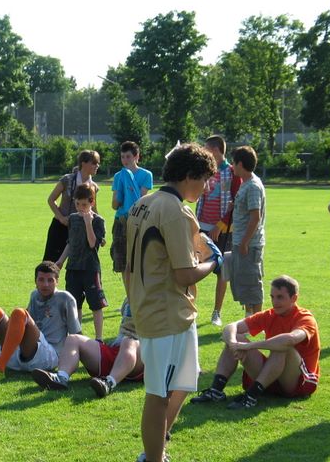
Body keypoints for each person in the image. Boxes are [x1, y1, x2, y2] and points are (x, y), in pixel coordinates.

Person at [127, 143, 222, 462]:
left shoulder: (143, 203)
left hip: (164, 310)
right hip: (164, 314)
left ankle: (157, 449)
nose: (206, 187)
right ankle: (152, 457)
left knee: (184, 381)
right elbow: (185, 274)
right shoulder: (176, 211)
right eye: (205, 179)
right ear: (189, 175)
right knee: (158, 394)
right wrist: (215, 262)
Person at [190, 275, 320, 409]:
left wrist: (249, 346)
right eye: (272, 297)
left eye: (280, 297)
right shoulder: (270, 314)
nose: (275, 302)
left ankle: (251, 396)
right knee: (236, 337)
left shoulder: (305, 318)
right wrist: (234, 344)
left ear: (294, 298)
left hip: (298, 383)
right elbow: (231, 327)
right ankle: (216, 391)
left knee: (282, 346)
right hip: (273, 378)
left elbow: (290, 339)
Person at [0, 261, 81, 384]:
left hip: (48, 357)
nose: (45, 284)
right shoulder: (34, 295)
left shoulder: (65, 298)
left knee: (19, 313)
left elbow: (76, 336)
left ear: (57, 281)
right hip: (21, 355)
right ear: (35, 281)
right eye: (41, 280)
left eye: (50, 280)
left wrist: (79, 359)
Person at [31, 300, 143, 398]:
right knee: (73, 339)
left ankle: (108, 383)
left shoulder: (153, 297)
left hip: (140, 356)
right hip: (118, 352)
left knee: (129, 341)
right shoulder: (129, 296)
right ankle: (61, 377)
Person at [195, 135, 241, 326]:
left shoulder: (232, 172)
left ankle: (216, 312)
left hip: (224, 231)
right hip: (202, 227)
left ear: (215, 150)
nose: (203, 152)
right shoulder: (205, 170)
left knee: (223, 272)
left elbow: (236, 202)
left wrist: (220, 226)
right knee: (191, 267)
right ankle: (190, 309)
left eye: (206, 148)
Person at [56, 184, 107, 340]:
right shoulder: (72, 218)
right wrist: (60, 261)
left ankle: (99, 339)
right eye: (77, 204)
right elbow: (70, 242)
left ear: (92, 202)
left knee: (96, 305)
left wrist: (88, 222)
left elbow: (92, 244)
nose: (80, 208)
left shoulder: (98, 221)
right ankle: (78, 338)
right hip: (73, 268)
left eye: (84, 204)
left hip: (90, 269)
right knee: (74, 304)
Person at [111, 141, 153, 296]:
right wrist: (120, 191)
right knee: (122, 261)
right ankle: (129, 296)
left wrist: (130, 185)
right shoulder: (118, 176)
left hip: (138, 222)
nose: (125, 160)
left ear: (137, 156)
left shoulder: (146, 175)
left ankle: (138, 295)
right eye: (122, 157)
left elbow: (140, 200)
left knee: (138, 260)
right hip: (121, 221)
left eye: (128, 156)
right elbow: (115, 205)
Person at [227, 145, 266, 317]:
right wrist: (235, 205)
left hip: (249, 245)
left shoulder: (252, 186)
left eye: (234, 163)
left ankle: (256, 322)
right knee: (243, 283)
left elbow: (255, 217)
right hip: (241, 242)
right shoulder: (245, 183)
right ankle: (249, 319)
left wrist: (244, 242)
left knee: (252, 285)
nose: (232, 166)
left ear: (240, 164)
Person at [42, 150, 101, 263]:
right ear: (83, 163)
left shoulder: (93, 186)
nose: (97, 165)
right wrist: (61, 218)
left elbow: (93, 209)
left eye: (98, 163)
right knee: (50, 263)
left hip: (81, 229)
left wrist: (98, 230)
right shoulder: (67, 180)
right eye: (94, 162)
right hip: (60, 227)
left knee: (77, 264)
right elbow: (51, 200)